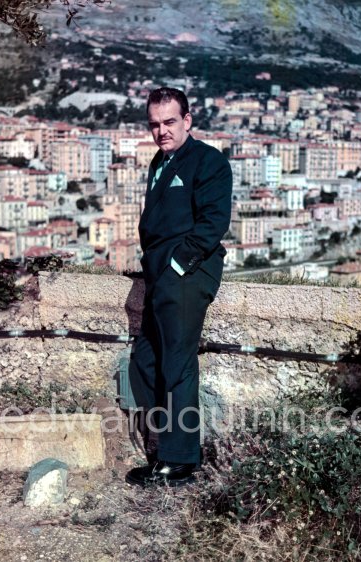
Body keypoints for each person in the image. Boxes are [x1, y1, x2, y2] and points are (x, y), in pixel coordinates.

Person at [125, 87, 232, 487]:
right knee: (146, 362)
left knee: (177, 364)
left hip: (187, 275)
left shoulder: (208, 161)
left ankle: (182, 460)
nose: (161, 131)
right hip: (160, 277)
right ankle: (163, 448)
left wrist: (174, 265)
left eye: (169, 122)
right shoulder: (160, 161)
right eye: (154, 124)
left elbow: (212, 223)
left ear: (187, 121)